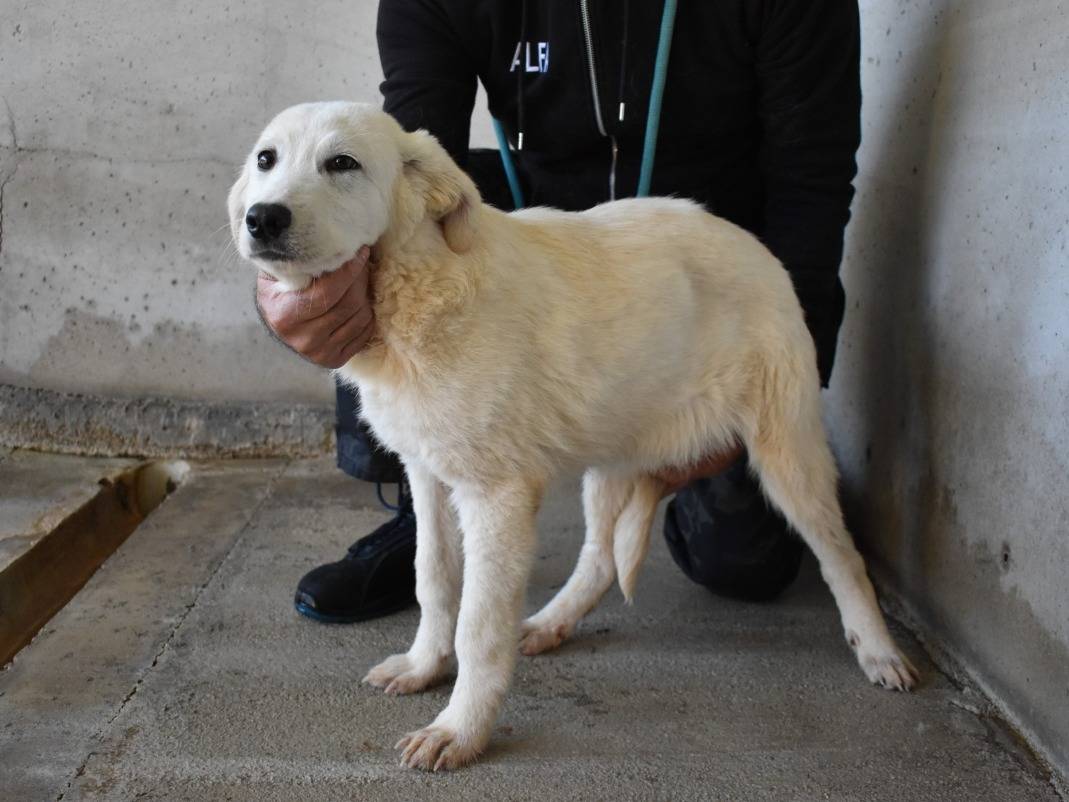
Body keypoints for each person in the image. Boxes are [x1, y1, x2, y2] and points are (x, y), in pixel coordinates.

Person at [256, 0, 861, 623]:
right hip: (538, 255)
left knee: (742, 563)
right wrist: (286, 291)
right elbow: (402, 152)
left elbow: (811, 179)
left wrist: (780, 379)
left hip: (698, 286)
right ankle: (434, 505)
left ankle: (663, 478)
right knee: (392, 203)